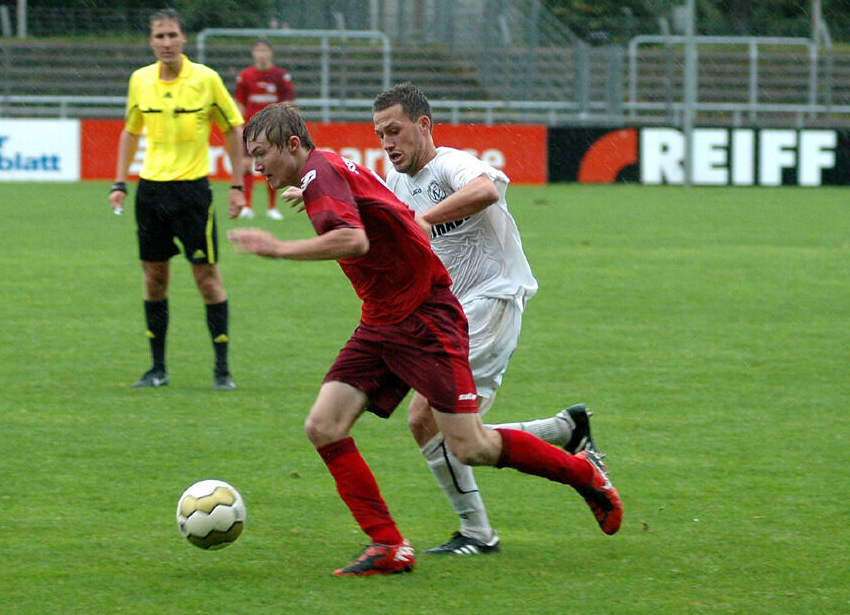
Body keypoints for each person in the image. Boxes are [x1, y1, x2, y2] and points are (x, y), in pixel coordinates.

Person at [228, 102, 622, 577]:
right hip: (381, 322)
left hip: (424, 320)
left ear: (292, 145)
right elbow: (388, 210)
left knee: (468, 445)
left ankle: (583, 473)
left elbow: (353, 240)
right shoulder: (323, 170)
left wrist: (278, 248)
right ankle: (388, 544)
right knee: (324, 425)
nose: (255, 166)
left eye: (261, 153)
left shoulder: (322, 173)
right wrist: (316, 196)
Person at [108, 8, 246, 392]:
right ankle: (157, 370)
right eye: (159, 37)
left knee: (206, 278)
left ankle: (222, 370)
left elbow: (234, 127)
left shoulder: (206, 80)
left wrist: (237, 185)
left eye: (172, 36)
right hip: (150, 192)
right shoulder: (140, 80)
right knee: (154, 279)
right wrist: (120, 181)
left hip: (192, 194)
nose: (166, 43)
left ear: (184, 39)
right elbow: (130, 131)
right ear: (150, 41)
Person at [233, 38, 295, 220]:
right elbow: (240, 104)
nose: (261, 54)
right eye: (258, 50)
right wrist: (241, 126)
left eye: (265, 50)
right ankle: (247, 206)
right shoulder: (245, 75)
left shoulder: (280, 75)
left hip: (272, 130)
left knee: (272, 165)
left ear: (270, 53)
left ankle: (272, 207)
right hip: (250, 129)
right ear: (254, 53)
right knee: (246, 166)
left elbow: (287, 102)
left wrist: (280, 122)